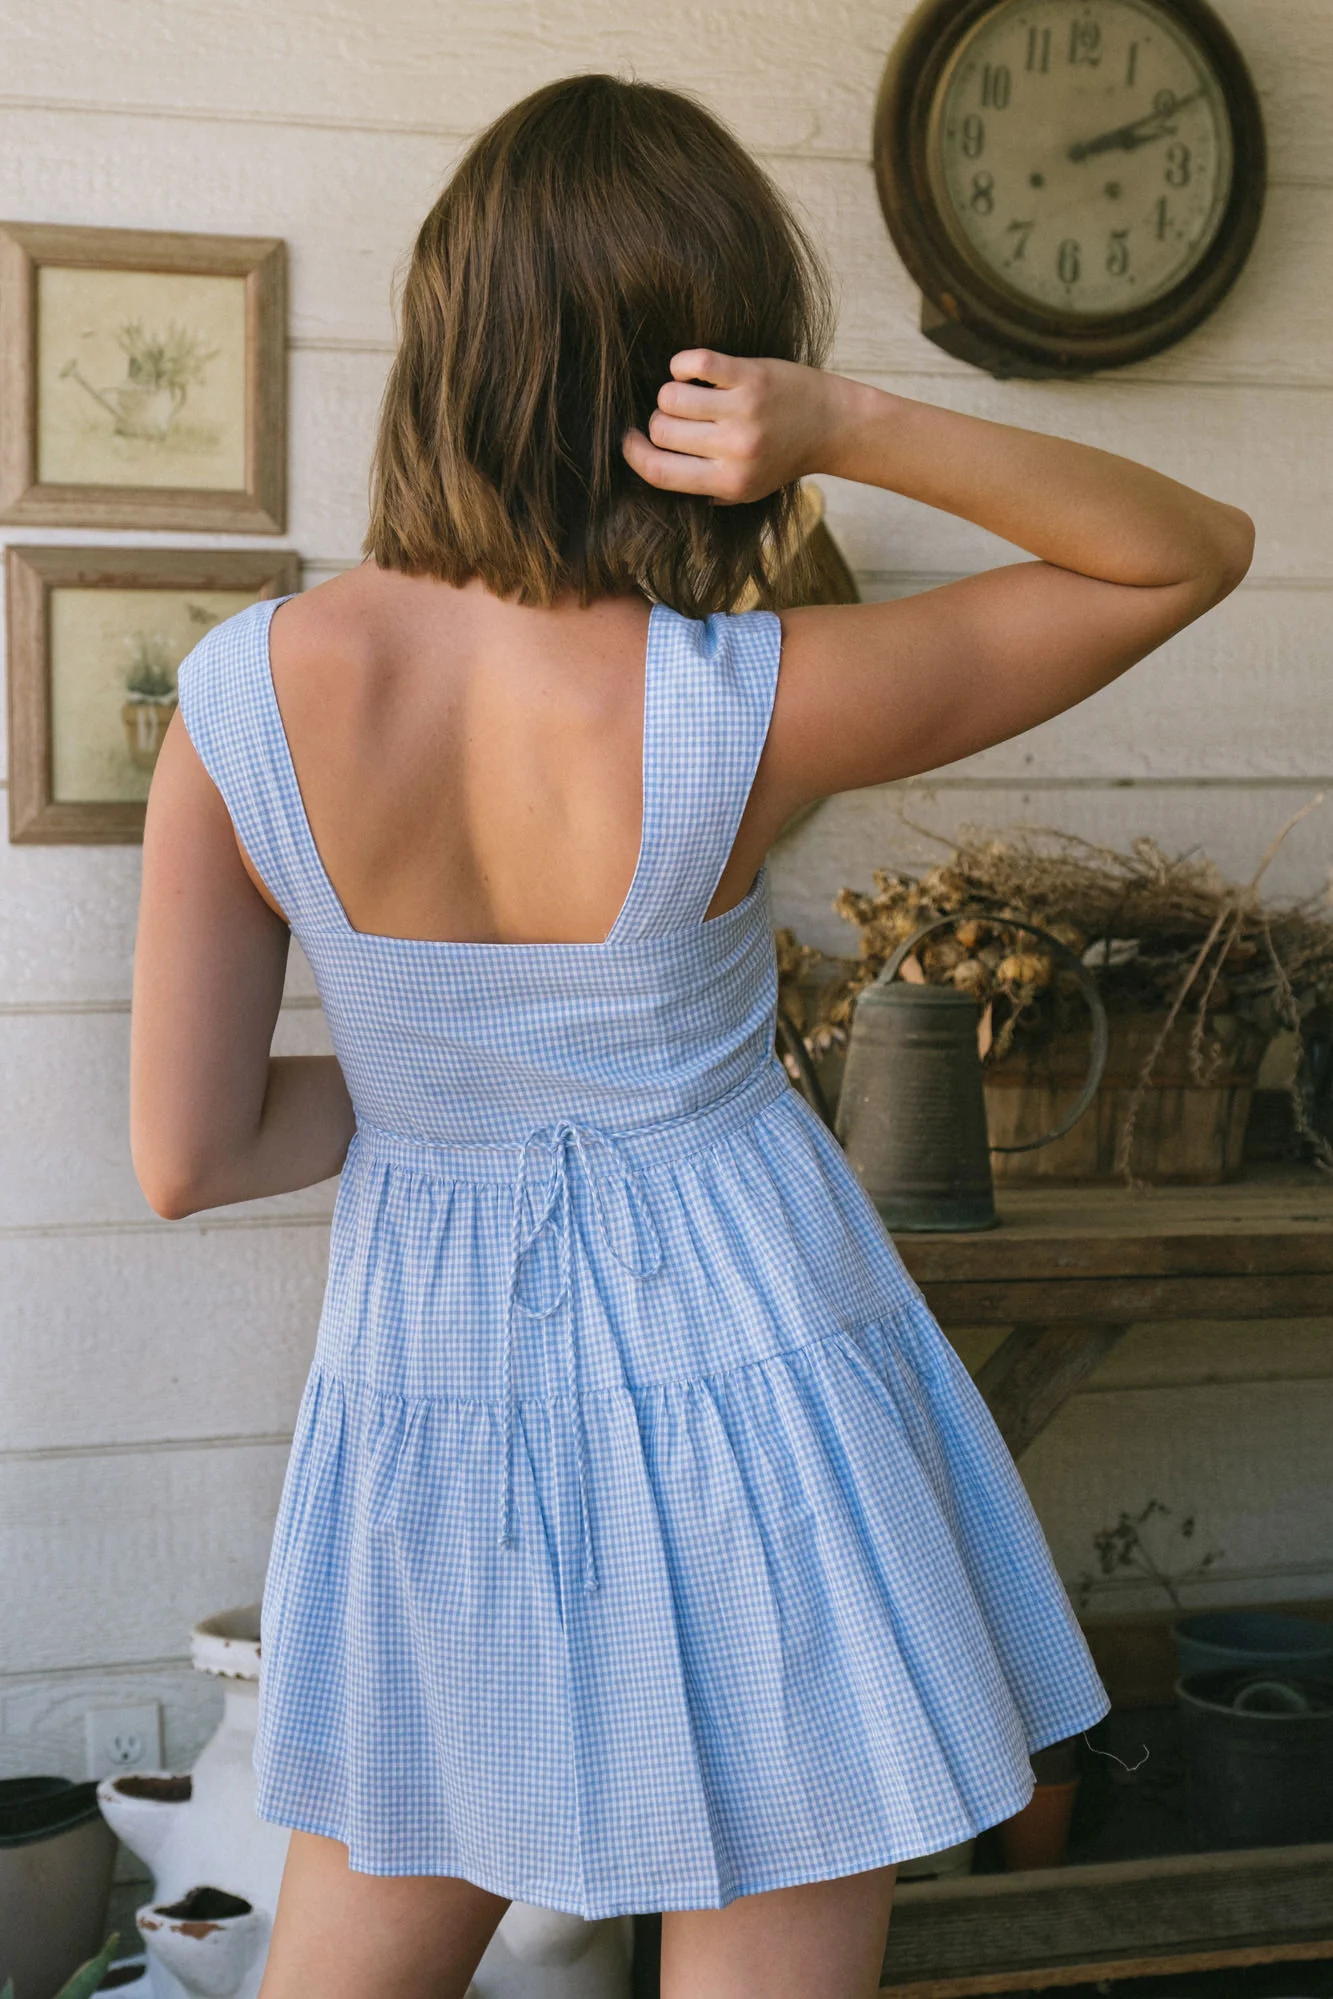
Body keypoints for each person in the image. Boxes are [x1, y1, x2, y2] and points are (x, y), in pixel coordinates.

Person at [129, 72, 1253, 1999]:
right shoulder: (745, 698)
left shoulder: (240, 697)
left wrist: (441, 1078)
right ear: (707, 375)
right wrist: (848, 425)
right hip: (764, 1375)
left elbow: (193, 1151)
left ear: (441, 348)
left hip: (439, 1393)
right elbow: (1185, 549)